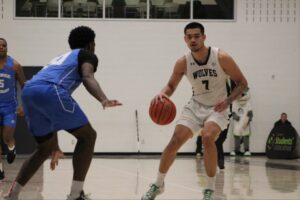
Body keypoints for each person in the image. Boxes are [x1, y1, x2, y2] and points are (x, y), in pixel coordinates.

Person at [4, 26, 122, 200]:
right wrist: (103, 99)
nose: (95, 46)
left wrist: (55, 145)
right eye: (94, 43)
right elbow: (87, 76)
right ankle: (75, 195)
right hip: (51, 90)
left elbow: (52, 112)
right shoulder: (87, 54)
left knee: (43, 149)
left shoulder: (60, 58)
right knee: (88, 137)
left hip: (29, 92)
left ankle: (12, 194)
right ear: (90, 44)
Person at [141, 22, 248, 200]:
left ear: (204, 37)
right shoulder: (183, 62)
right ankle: (158, 184)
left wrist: (228, 101)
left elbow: (243, 83)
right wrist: (162, 95)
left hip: (218, 107)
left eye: (196, 36)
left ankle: (209, 189)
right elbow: (170, 85)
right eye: (189, 37)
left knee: (207, 137)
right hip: (195, 105)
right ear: (185, 39)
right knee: (174, 142)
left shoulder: (221, 57)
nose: (193, 40)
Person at [0, 38, 26, 180]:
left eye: (4, 45)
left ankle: (11, 147)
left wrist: (23, 105)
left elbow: (24, 85)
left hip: (9, 107)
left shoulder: (15, 65)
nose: (2, 47)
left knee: (6, 137)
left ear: (7, 48)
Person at [230, 90, 253, 156]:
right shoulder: (235, 102)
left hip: (245, 122)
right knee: (237, 136)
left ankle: (246, 150)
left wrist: (248, 120)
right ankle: (236, 150)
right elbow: (233, 112)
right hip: (237, 123)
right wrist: (236, 117)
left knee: (246, 136)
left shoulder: (248, 103)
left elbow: (250, 113)